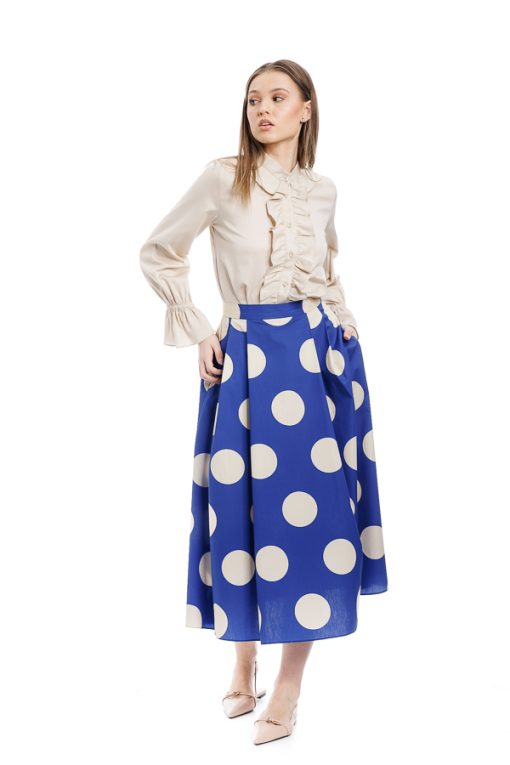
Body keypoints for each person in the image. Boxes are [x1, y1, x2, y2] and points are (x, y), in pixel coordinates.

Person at [139, 59, 388, 745]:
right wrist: (199, 328)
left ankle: (287, 687)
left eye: (278, 97)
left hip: (319, 359)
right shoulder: (223, 178)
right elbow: (160, 250)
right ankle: (242, 658)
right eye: (254, 99)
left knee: (315, 519)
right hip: (245, 358)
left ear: (307, 108)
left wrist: (343, 323)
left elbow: (325, 270)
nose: (263, 109)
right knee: (242, 509)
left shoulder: (323, 190)